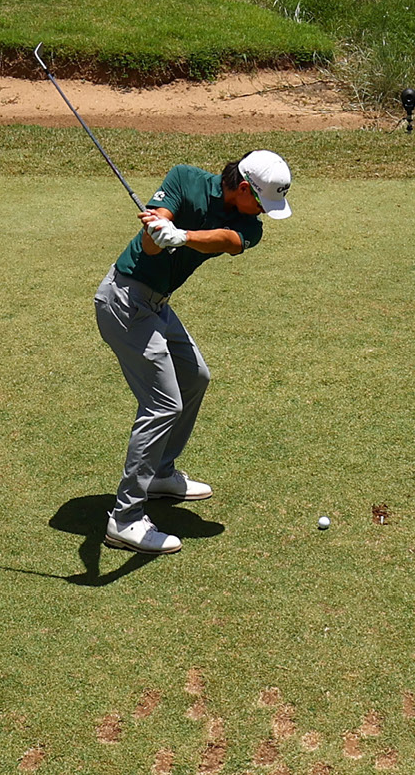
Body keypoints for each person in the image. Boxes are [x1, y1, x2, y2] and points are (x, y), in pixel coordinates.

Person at [93, 148, 295, 557]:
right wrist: (159, 231)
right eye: (261, 201)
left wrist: (182, 237)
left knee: (195, 376)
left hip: (155, 305)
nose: (262, 211)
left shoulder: (248, 226)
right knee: (163, 404)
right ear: (243, 187)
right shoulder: (184, 178)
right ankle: (126, 518)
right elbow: (151, 246)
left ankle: (161, 473)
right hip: (124, 301)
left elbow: (228, 240)